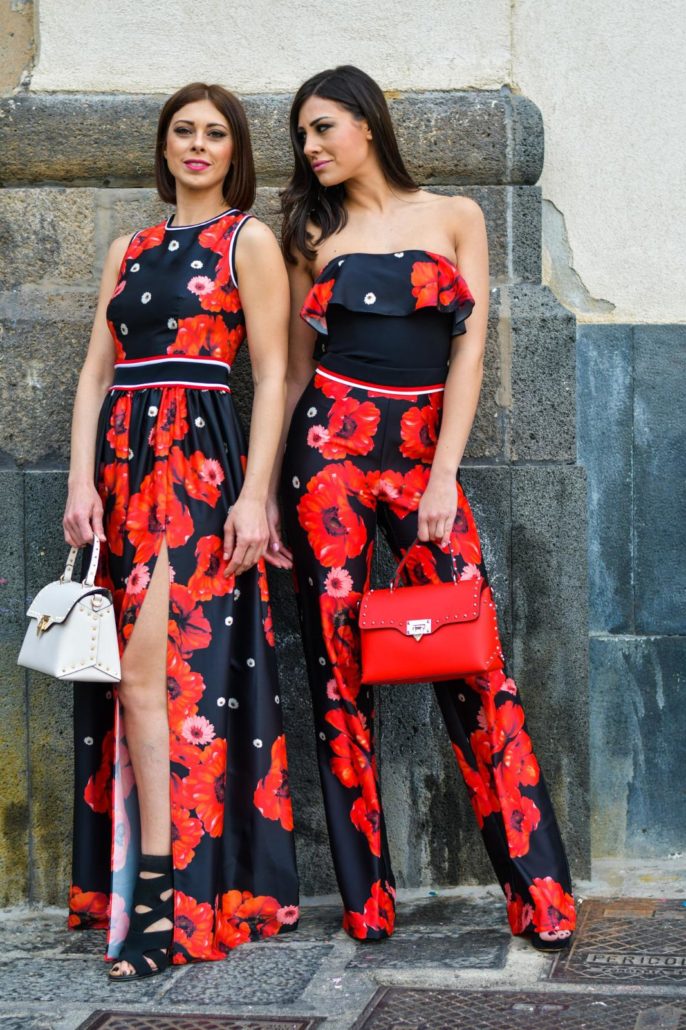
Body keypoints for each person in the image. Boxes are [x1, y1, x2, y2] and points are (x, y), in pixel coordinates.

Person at [273, 65, 575, 951]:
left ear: (367, 123)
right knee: (337, 674)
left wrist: (444, 475)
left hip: (420, 462)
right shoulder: (308, 230)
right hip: (324, 459)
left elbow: (469, 356)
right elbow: (292, 372)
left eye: (322, 128)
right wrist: (265, 491)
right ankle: (369, 900)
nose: (311, 147)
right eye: (300, 136)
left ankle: (539, 890)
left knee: (477, 664)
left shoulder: (456, 217)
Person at [63, 82, 299, 981]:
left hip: (200, 477)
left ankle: (163, 908)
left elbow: (272, 377)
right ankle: (150, 892)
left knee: (154, 685)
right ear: (163, 148)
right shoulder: (128, 246)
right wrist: (81, 478)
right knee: (130, 685)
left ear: (234, 151)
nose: (197, 146)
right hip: (120, 479)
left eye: (214, 134)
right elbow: (95, 371)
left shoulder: (251, 241)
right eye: (183, 132)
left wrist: (256, 497)